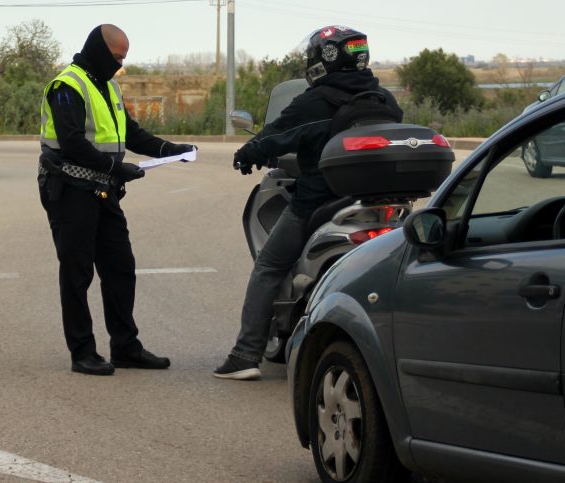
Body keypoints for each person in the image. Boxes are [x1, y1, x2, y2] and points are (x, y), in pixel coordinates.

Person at [214, 25, 401, 380]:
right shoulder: (384, 99)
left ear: (324, 59)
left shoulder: (317, 100)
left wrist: (247, 153)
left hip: (319, 202)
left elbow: (278, 135)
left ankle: (245, 355)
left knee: (268, 267)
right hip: (378, 204)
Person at [39, 23, 196, 376]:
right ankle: (82, 352)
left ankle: (125, 347)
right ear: (97, 49)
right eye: (116, 57)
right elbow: (73, 143)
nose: (119, 65)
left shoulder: (107, 85)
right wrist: (116, 166)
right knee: (77, 272)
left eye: (123, 59)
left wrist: (172, 150)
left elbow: (130, 132)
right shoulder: (67, 85)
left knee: (120, 268)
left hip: (102, 189)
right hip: (69, 188)